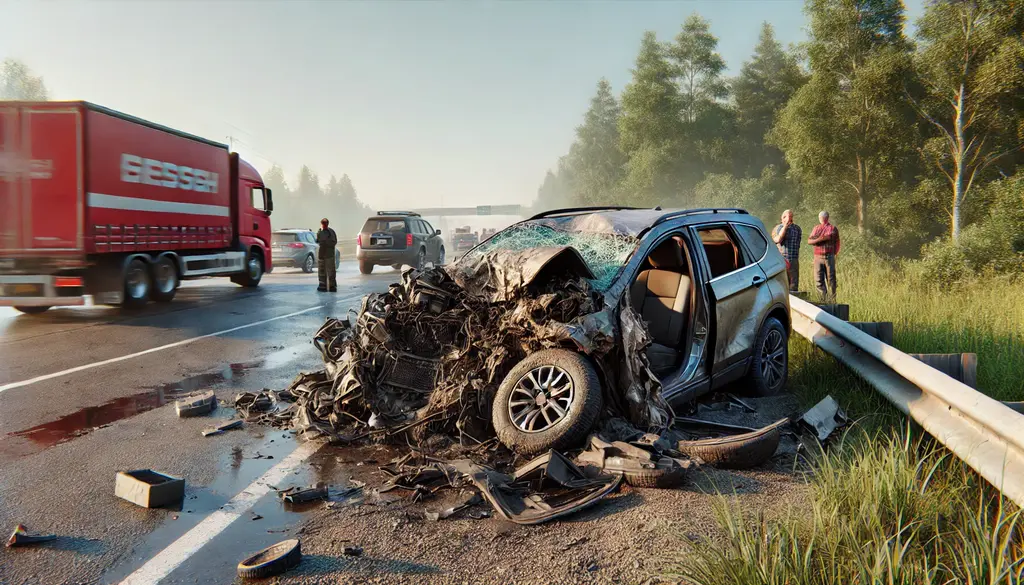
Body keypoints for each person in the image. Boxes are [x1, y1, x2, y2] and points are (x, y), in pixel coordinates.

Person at [807, 210, 840, 302]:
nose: (822, 219)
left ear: (826, 218)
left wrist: (818, 240)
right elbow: (809, 241)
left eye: (823, 217)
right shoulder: (816, 228)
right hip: (818, 257)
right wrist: (821, 239)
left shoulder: (832, 228)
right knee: (819, 279)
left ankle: (832, 299)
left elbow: (830, 238)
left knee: (831, 278)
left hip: (828, 256)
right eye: (821, 217)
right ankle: (823, 300)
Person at [772, 209, 802, 291]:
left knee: (793, 284)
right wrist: (785, 226)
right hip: (782, 259)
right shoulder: (778, 228)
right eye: (786, 217)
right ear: (782, 218)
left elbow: (797, 244)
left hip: (793, 259)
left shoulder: (797, 229)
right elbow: (778, 240)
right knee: (782, 283)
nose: (789, 219)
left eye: (790, 216)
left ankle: (793, 301)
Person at [316, 218, 338, 292]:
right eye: (323, 224)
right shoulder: (319, 232)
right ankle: (322, 285)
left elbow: (334, 242)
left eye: (325, 224)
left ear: (327, 224)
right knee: (321, 271)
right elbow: (317, 241)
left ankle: (332, 286)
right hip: (322, 254)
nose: (324, 225)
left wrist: (326, 243)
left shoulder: (331, 232)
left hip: (329, 254)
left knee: (331, 271)